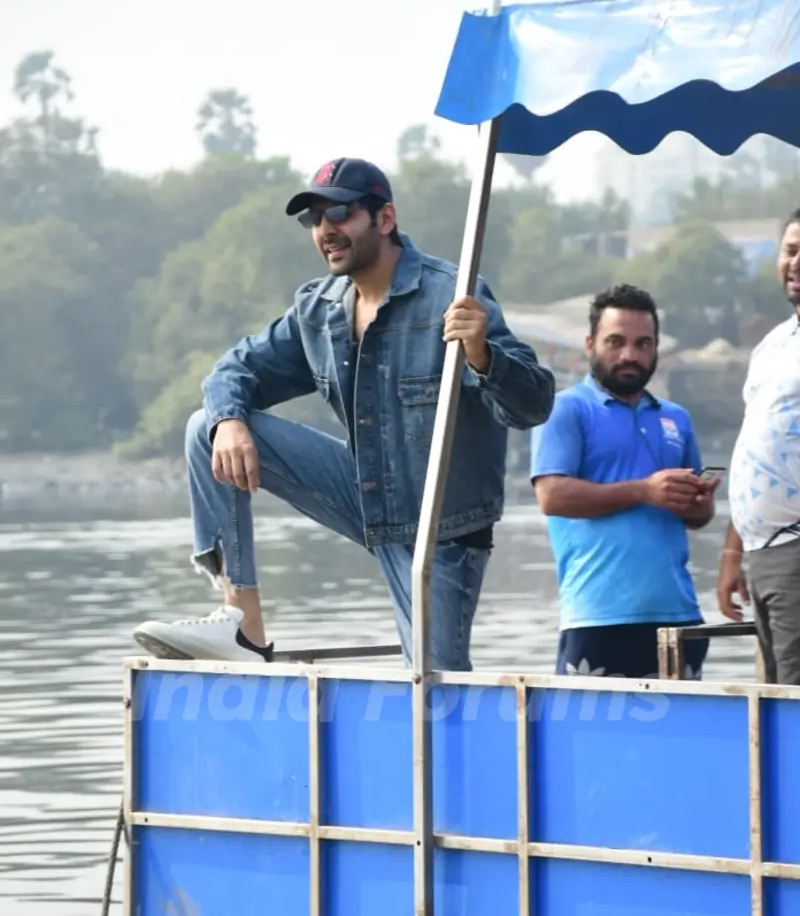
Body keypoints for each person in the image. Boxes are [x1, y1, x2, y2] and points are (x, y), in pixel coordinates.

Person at [133, 157, 555, 671]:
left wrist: (484, 355)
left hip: (442, 530)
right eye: (314, 219)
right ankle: (242, 627)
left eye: (339, 213)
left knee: (436, 688)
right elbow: (233, 370)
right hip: (366, 496)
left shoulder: (453, 294)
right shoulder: (320, 308)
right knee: (208, 426)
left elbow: (533, 404)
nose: (325, 231)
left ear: (384, 218)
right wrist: (230, 421)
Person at [530, 283, 718, 680]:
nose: (630, 354)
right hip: (598, 617)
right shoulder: (565, 409)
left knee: (680, 739)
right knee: (589, 739)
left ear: (656, 348)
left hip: (679, 615)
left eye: (642, 343)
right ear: (590, 343)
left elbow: (697, 517)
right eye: (615, 341)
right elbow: (551, 496)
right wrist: (645, 490)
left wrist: (698, 503)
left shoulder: (676, 418)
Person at [717, 210, 800, 684]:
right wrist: (733, 554)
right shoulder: (772, 345)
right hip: (761, 553)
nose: (796, 261)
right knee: (776, 700)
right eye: (790, 250)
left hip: (795, 548)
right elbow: (755, 450)